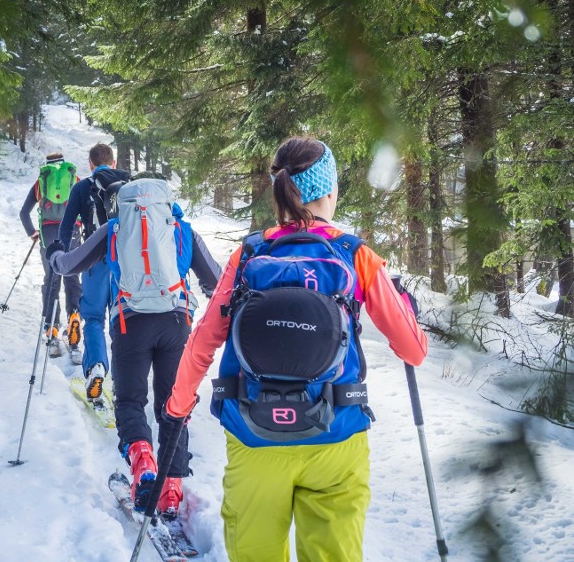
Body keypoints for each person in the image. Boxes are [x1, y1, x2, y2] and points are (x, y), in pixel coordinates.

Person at [164, 137, 429, 562]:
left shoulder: (250, 253)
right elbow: (413, 351)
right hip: (335, 436)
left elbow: (203, 341)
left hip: (254, 435)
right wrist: (407, 307)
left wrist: (178, 407)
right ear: (329, 190)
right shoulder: (356, 256)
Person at [46, 173, 221, 516]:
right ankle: (171, 488)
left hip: (129, 324)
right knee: (173, 404)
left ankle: (145, 470)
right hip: (176, 323)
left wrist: (54, 253)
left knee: (129, 401)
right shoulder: (181, 230)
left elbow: (68, 266)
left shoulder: (114, 229)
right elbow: (215, 280)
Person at [57, 143, 130, 399]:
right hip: (127, 264)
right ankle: (125, 379)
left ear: (90, 164)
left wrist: (63, 256)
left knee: (94, 318)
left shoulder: (82, 187)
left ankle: (97, 367)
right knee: (122, 319)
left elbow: (66, 228)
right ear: (113, 162)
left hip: (95, 260)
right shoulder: (128, 184)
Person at [19, 152, 83, 360]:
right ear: (64, 164)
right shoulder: (75, 180)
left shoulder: (40, 183)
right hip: (72, 231)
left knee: (52, 280)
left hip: (48, 235)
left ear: (47, 166)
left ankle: (52, 329)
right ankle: (74, 318)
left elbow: (24, 213)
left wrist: (32, 232)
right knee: (72, 278)